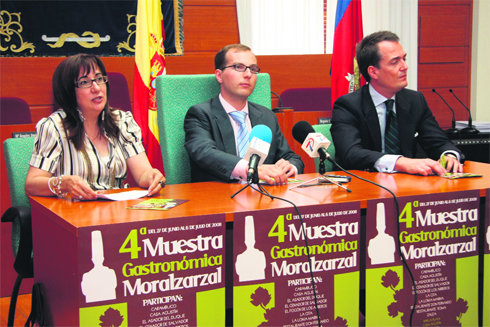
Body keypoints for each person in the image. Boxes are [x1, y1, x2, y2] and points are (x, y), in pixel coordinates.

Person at [25, 54, 165, 200]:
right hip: (73, 214)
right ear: (69, 91)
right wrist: (63, 183)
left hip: (116, 212)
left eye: (99, 79)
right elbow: (31, 184)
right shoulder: (54, 127)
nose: (96, 88)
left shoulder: (122, 122)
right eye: (85, 82)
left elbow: (143, 173)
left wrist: (152, 177)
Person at [331, 31, 464, 176]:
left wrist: (449, 155)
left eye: (404, 59)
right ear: (373, 72)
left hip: (409, 185)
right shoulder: (348, 106)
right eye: (395, 62)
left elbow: (438, 141)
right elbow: (351, 153)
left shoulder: (415, 100)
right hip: (364, 184)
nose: (404, 66)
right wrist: (400, 162)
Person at [184, 44, 304, 184]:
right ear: (219, 75)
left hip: (265, 198)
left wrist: (289, 167)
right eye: (239, 67)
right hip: (219, 198)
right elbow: (204, 152)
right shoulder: (201, 114)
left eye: (253, 69)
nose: (248, 74)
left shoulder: (266, 116)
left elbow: (290, 157)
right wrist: (250, 169)